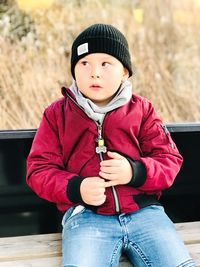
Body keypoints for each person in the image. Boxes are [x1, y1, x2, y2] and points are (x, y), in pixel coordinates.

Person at [26, 24, 195, 267]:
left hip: (145, 213)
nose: (94, 72)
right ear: (74, 70)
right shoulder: (56, 115)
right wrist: (77, 187)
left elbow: (169, 159)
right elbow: (38, 170)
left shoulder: (142, 110)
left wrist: (135, 171)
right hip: (86, 218)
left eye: (106, 64)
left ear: (125, 72)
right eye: (84, 63)